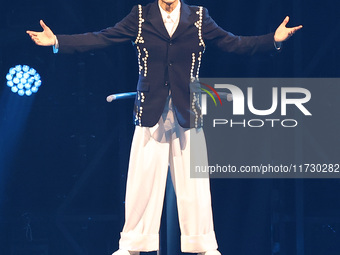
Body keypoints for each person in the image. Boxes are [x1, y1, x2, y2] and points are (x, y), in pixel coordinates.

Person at [27, 0, 302, 254]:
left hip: (187, 108)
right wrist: (58, 41)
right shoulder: (140, 16)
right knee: (142, 179)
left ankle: (203, 244)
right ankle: (132, 244)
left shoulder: (198, 17)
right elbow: (102, 37)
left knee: (194, 182)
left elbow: (233, 43)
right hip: (151, 109)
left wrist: (272, 40)